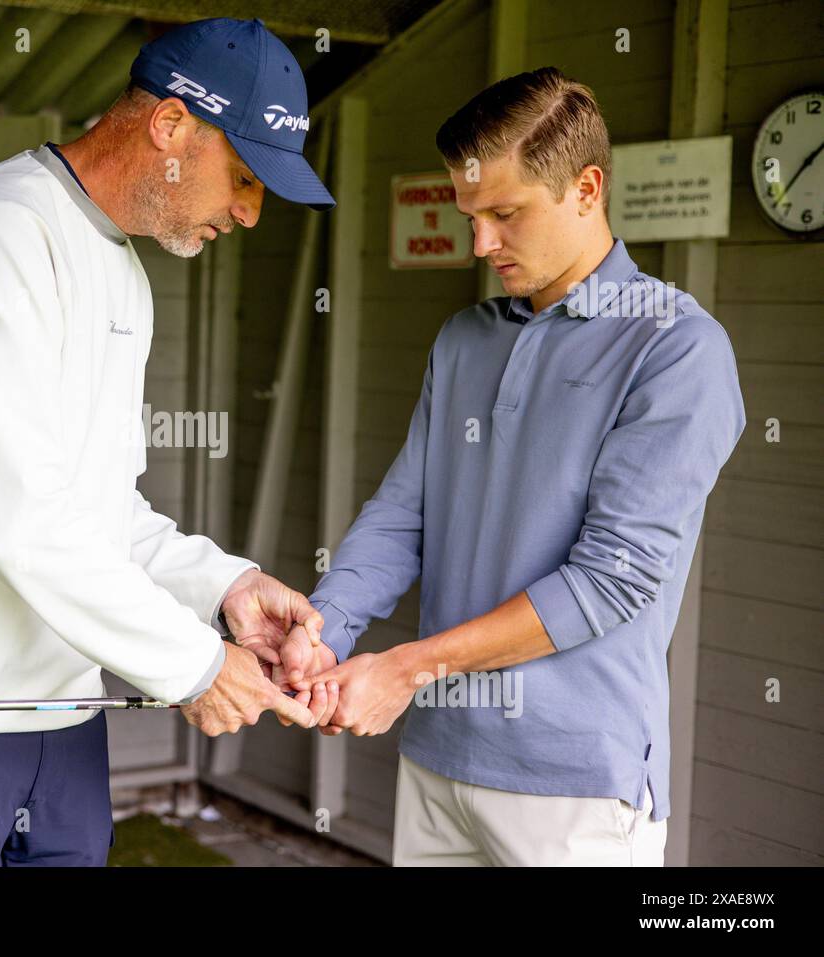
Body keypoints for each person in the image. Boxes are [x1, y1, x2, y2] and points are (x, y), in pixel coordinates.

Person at [0, 17, 337, 866]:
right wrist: (194, 665)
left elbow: (95, 508)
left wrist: (227, 588)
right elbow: (16, 518)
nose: (251, 212)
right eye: (247, 175)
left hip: (58, 719)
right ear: (171, 125)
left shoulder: (122, 272)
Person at [286, 67, 746, 866]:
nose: (481, 244)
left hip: (575, 788)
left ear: (586, 188)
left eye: (504, 214)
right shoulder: (464, 338)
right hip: (437, 762)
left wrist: (405, 668)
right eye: (469, 216)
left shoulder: (676, 348)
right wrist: (324, 629)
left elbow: (610, 580)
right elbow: (405, 514)